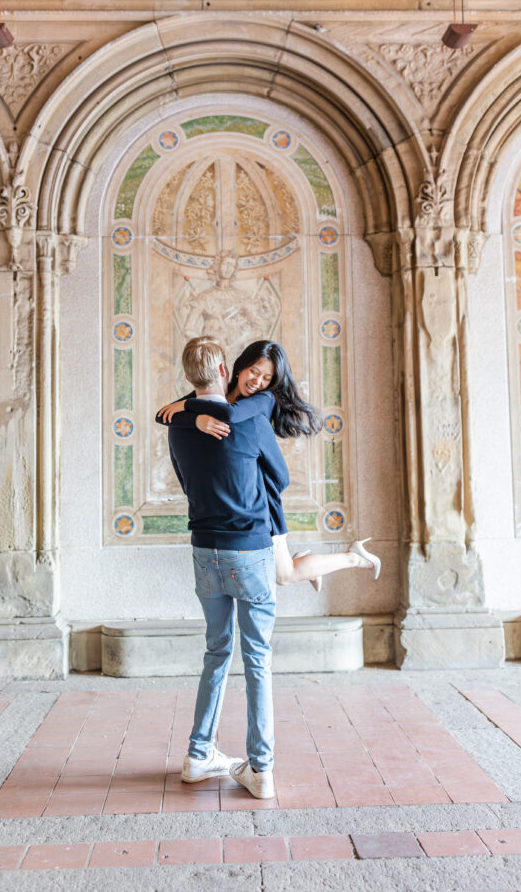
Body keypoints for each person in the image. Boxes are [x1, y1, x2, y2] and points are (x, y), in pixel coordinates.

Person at [161, 335, 289, 800]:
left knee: (216, 651)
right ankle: (261, 769)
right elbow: (281, 477)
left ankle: (199, 755)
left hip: (204, 550)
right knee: (257, 659)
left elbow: (185, 475)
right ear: (224, 371)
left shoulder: (177, 423)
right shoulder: (249, 421)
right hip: (249, 549)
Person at [158, 339, 380, 591]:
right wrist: (196, 420)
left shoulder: (263, 399)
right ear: (237, 368)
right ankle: (315, 563)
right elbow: (164, 416)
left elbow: (230, 416)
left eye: (267, 377)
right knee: (285, 572)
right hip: (231, 509)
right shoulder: (214, 391)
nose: (257, 381)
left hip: (257, 504)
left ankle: (353, 557)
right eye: (254, 371)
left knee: (284, 576)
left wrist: (188, 408)